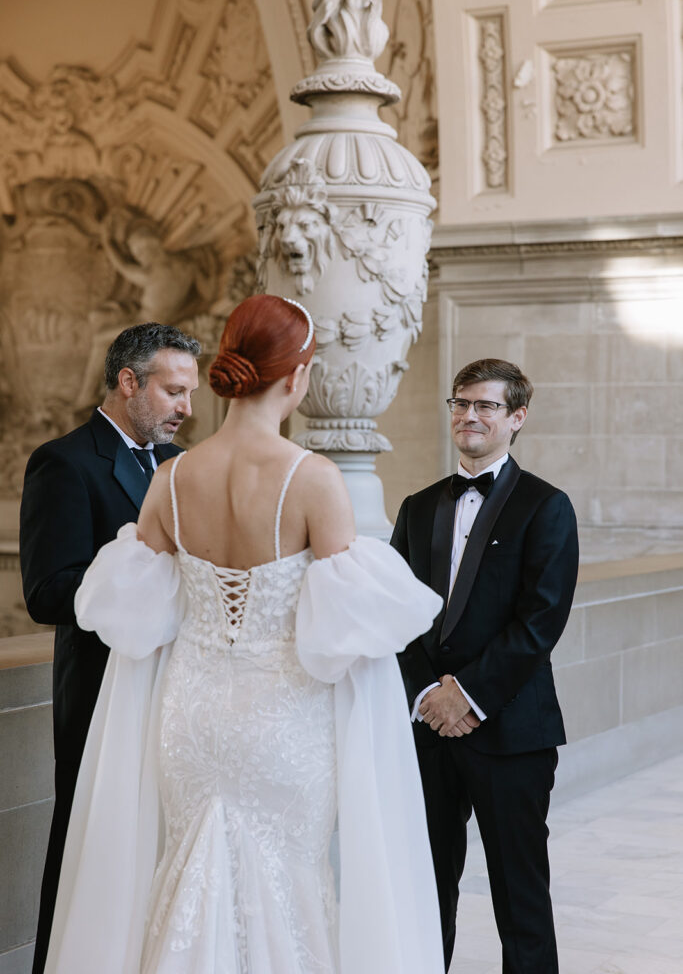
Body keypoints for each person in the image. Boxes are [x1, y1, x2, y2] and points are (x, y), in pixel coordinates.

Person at [43, 294, 445, 974]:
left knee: (188, 870)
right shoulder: (312, 478)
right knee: (287, 877)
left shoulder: (170, 479)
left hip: (190, 719)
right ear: (295, 376)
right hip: (283, 723)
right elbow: (344, 631)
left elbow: (130, 615)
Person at [20, 323, 201, 974]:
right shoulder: (64, 462)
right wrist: (142, 583)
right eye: (174, 391)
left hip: (177, 693)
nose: (187, 407)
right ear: (129, 383)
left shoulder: (182, 467)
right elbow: (46, 592)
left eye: (190, 392)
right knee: (86, 849)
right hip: (99, 693)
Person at [392, 358, 579, 974]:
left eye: (487, 406)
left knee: (520, 897)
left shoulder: (546, 506)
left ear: (517, 417)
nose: (469, 415)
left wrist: (465, 696)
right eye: (461, 403)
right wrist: (427, 694)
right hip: (428, 735)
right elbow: (396, 614)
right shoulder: (417, 508)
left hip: (511, 733)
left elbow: (541, 621)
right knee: (424, 890)